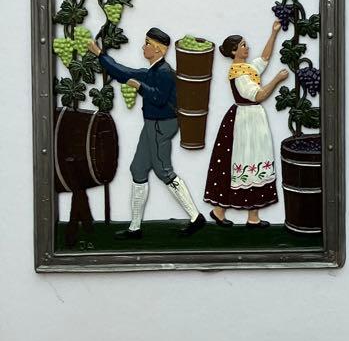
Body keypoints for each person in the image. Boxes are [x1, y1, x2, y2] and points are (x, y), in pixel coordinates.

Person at [87, 27, 205, 238]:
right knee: (138, 169)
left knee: (163, 171)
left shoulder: (164, 72)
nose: (144, 47)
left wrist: (139, 87)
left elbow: (159, 98)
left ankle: (196, 218)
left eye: (147, 43)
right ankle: (135, 228)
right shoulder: (151, 71)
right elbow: (123, 72)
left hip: (162, 124)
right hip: (152, 124)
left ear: (159, 49)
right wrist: (100, 54)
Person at [203, 21, 290, 228]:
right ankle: (225, 212)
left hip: (252, 118)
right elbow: (258, 95)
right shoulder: (239, 74)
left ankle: (248, 216)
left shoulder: (247, 68)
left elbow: (264, 59)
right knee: (245, 160)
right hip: (245, 121)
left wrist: (273, 33)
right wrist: (276, 80)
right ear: (234, 51)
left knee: (253, 161)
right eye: (243, 45)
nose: (247, 47)